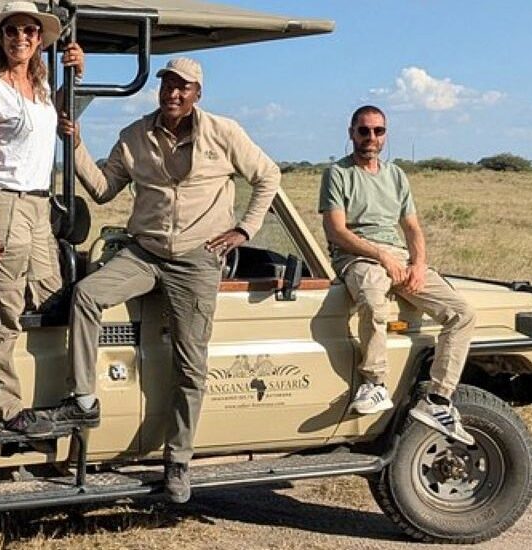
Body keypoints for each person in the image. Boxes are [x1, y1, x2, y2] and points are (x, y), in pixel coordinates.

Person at [46, 58, 282, 503]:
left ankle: (178, 461)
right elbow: (102, 189)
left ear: (198, 93)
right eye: (168, 85)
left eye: (183, 87)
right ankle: (82, 398)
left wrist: (244, 230)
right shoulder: (135, 135)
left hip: (197, 259)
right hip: (145, 252)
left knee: (190, 365)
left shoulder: (224, 133)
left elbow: (268, 176)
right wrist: (74, 145)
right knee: (87, 295)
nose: (173, 93)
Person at [320, 105, 477, 445]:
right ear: (351, 133)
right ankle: (375, 382)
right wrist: (381, 256)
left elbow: (412, 227)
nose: (371, 138)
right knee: (374, 302)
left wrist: (419, 264)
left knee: (462, 314)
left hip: (400, 259)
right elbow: (336, 231)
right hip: (358, 257)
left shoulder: (396, 175)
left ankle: (437, 399)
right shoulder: (338, 173)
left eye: (378, 131)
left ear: (386, 135)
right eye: (364, 131)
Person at [0, 1, 85, 434]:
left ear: (39, 39)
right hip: (4, 201)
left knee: (52, 295)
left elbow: (63, 123)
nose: (21, 39)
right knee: (5, 310)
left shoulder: (42, 86)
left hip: (38, 204)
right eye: (12, 31)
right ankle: (7, 409)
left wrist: (78, 67)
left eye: (30, 32)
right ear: (1, 37)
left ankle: (55, 399)